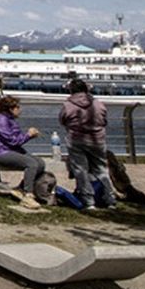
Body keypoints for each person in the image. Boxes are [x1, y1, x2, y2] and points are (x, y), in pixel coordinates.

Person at [60, 79, 116, 210]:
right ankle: (109, 198)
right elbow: (104, 119)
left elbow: (63, 120)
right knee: (102, 168)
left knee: (81, 170)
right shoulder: (98, 104)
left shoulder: (68, 105)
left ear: (71, 90)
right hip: (97, 139)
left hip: (76, 140)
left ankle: (88, 200)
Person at [0, 96, 45, 209]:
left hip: (9, 149)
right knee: (31, 163)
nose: (19, 109)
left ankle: (20, 189)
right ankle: (27, 195)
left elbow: (14, 139)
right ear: (10, 109)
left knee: (40, 163)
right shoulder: (0, 120)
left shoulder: (8, 119)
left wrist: (28, 135)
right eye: (17, 107)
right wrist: (28, 135)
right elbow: (13, 141)